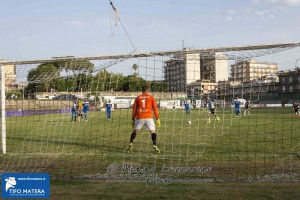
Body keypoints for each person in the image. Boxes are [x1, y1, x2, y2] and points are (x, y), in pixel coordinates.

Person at [128, 85, 161, 154]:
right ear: (148, 90)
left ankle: (130, 144)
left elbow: (134, 109)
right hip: (148, 117)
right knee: (153, 132)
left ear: (142, 90)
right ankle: (154, 145)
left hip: (140, 117)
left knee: (135, 131)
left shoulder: (138, 98)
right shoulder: (151, 98)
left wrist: (133, 119)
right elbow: (155, 108)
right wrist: (157, 118)